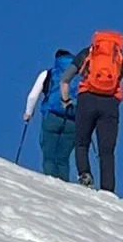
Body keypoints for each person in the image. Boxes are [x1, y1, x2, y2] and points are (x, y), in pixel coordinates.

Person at [71, 29, 123, 192]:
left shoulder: (89, 52)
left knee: (81, 142)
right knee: (107, 151)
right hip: (110, 105)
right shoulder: (119, 57)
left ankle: (85, 174)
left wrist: (66, 96)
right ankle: (107, 189)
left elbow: (67, 77)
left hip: (86, 99)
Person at [23, 48, 80, 181]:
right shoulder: (79, 74)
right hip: (73, 119)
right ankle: (64, 188)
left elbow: (32, 96)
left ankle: (51, 188)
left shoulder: (48, 73)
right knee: (63, 159)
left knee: (49, 156)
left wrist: (28, 113)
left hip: (52, 117)